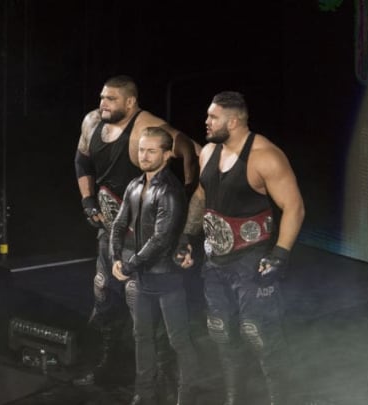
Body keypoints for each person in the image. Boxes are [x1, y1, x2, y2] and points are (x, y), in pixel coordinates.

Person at [176, 91, 305, 404]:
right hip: (215, 261)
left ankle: (280, 399)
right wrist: (186, 237)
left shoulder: (265, 156)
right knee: (220, 330)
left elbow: (294, 207)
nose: (206, 122)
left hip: (252, 260)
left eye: (213, 117)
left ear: (233, 121)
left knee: (256, 332)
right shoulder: (208, 151)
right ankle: (235, 397)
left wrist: (280, 255)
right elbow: (201, 197)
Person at [73, 75, 198, 387]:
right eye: (102, 97)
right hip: (111, 232)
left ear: (130, 102)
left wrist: (179, 215)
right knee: (103, 293)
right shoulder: (92, 122)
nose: (102, 103)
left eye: (110, 99)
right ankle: (108, 366)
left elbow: (194, 153)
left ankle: (167, 381)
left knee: (143, 306)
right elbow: (81, 162)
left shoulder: (147, 127)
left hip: (144, 239)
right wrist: (88, 201)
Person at [110, 127, 200, 405]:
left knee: (179, 342)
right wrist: (115, 256)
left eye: (151, 151)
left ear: (166, 154)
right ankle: (144, 394)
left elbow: (161, 239)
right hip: (143, 279)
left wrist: (129, 265)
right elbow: (119, 223)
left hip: (167, 279)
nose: (144, 156)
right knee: (142, 337)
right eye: (141, 150)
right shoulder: (135, 185)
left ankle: (187, 397)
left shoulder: (170, 190)